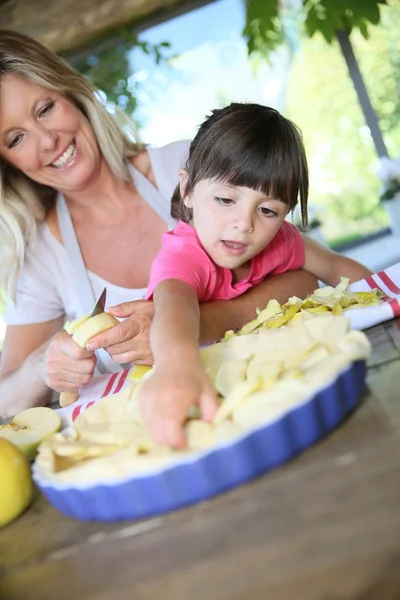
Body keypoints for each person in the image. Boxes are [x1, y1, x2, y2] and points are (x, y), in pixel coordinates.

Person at [0, 31, 318, 419]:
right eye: (16, 138)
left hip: (271, 390)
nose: (47, 140)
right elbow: (5, 399)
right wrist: (40, 368)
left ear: (73, 95)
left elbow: (304, 279)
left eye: (45, 108)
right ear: (7, 162)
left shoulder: (186, 168)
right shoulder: (41, 255)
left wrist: (197, 324)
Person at [137, 103, 373, 449]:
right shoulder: (182, 256)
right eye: (225, 199)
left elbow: (336, 267)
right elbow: (174, 304)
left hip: (276, 384)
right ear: (187, 191)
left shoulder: (280, 241)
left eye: (267, 210)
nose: (245, 224)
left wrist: (385, 295)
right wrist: (177, 364)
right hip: (200, 394)